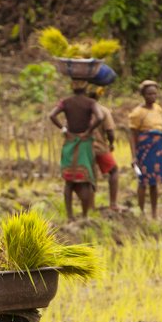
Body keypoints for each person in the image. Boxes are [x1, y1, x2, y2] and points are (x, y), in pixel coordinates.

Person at [48, 78, 102, 221]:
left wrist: (64, 129)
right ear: (86, 88)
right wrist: (89, 131)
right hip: (84, 143)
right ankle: (84, 216)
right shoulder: (90, 103)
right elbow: (100, 117)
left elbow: (52, 115)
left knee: (69, 181)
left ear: (72, 87)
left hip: (70, 142)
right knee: (85, 180)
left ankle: (70, 216)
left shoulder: (66, 102)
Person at [128, 80, 162, 219]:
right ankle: (141, 211)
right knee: (143, 181)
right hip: (145, 149)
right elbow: (133, 135)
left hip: (157, 148)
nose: (153, 96)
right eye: (149, 94)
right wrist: (134, 156)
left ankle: (154, 213)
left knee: (154, 182)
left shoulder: (158, 109)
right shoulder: (137, 113)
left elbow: (160, 128)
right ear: (143, 95)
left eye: (155, 93)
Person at [91, 86, 121, 211]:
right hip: (100, 147)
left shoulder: (80, 111)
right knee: (114, 170)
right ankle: (113, 203)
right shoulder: (103, 111)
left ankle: (90, 205)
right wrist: (111, 143)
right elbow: (110, 132)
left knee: (90, 175)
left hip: (82, 148)